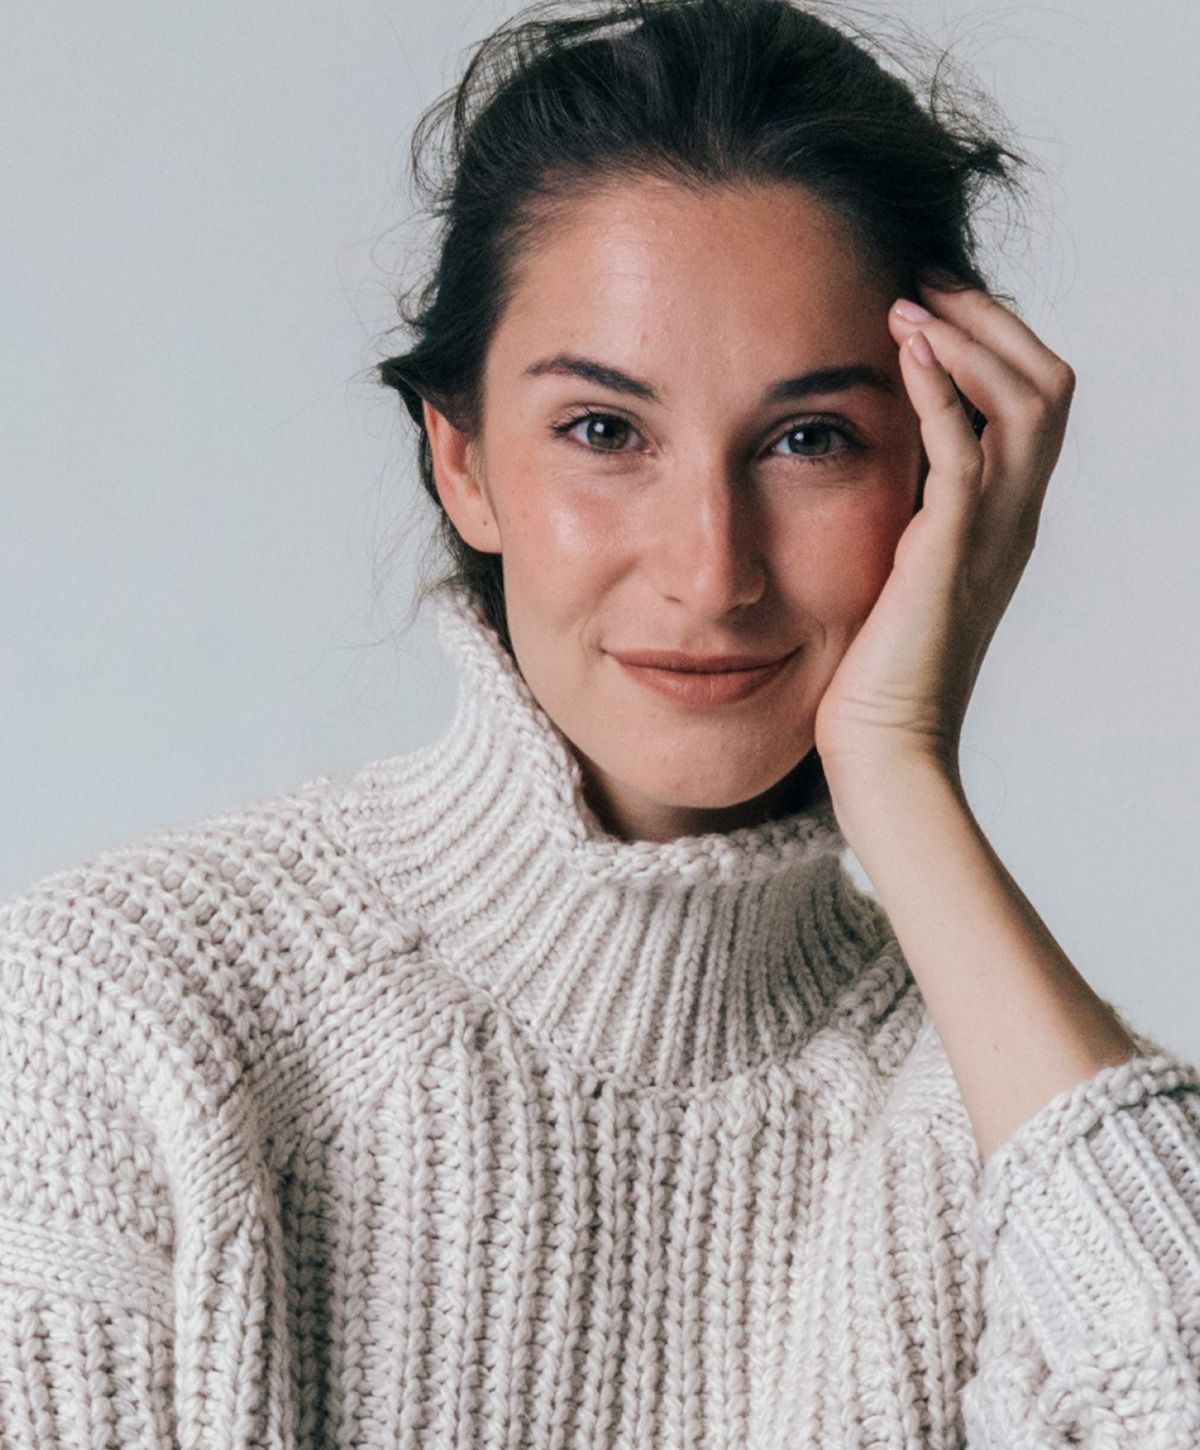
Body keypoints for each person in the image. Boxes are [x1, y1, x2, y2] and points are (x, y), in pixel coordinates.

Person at [2, 0, 1198, 1445]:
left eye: (810, 439)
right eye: (604, 431)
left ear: (947, 479)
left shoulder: (1013, 1131)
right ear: (463, 462)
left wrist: (902, 775)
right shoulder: (128, 1027)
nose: (711, 565)